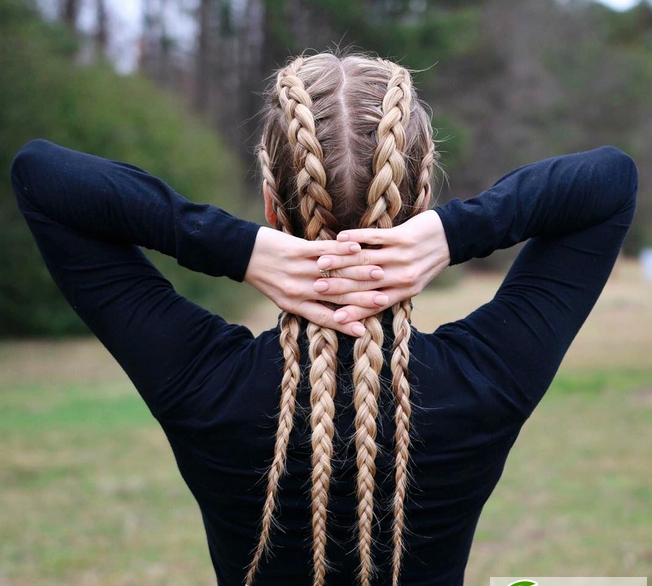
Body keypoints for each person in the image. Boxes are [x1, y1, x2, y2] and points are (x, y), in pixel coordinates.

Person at [10, 52, 637, 586]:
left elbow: (41, 176)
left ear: (269, 201)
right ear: (419, 199)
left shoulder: (203, 385)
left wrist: (236, 247)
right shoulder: (486, 382)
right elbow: (609, 181)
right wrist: (455, 234)